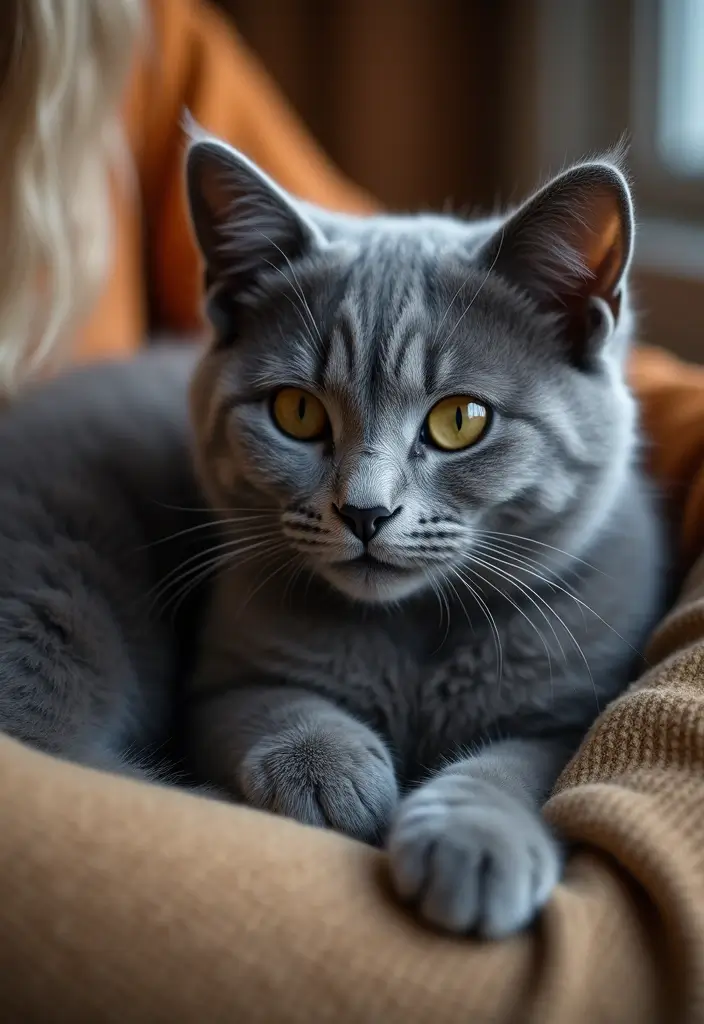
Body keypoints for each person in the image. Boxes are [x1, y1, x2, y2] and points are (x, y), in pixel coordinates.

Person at [0, 1, 704, 1020]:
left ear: (573, 321)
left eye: (455, 421)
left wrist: (492, 793)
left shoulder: (125, 36)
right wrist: (279, 727)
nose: (364, 497)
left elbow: (557, 732)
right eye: (298, 413)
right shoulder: (256, 563)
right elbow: (233, 692)